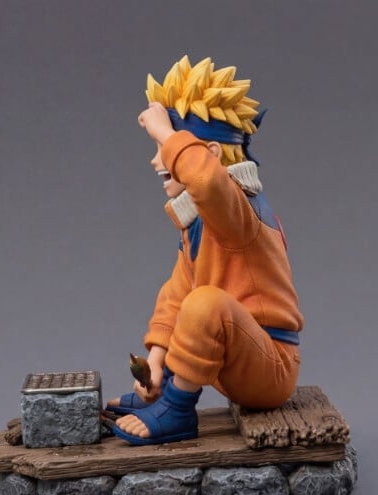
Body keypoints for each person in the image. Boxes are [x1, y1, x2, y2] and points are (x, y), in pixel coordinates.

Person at [107, 56, 304, 445]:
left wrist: (164, 131)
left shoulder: (239, 211)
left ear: (210, 154)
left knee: (206, 303)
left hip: (269, 369)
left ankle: (178, 410)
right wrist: (158, 361)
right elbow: (176, 295)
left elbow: (208, 183)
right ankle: (168, 392)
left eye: (165, 147)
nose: (157, 158)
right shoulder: (200, 223)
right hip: (233, 357)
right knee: (187, 294)